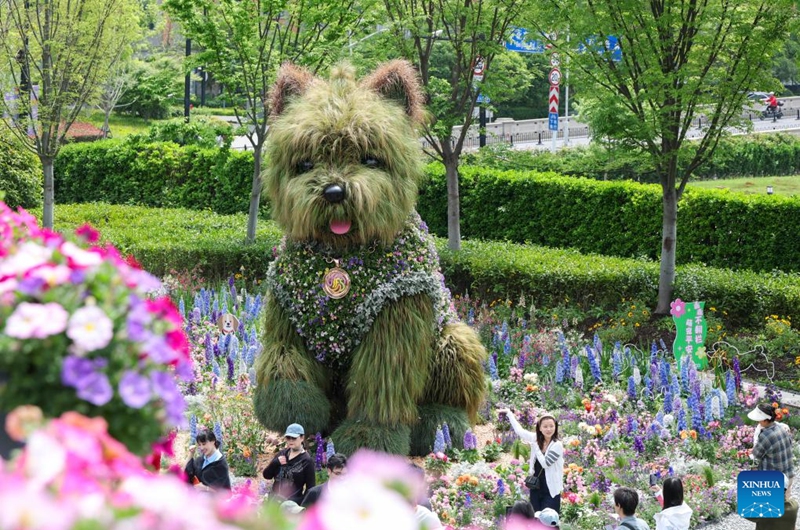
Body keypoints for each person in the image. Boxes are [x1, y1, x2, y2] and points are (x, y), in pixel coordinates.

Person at [498, 408, 564, 513]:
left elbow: (545, 463)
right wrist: (509, 414)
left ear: (555, 427)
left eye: (551, 426)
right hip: (536, 485)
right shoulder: (535, 438)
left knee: (548, 520)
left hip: (551, 488)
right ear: (540, 428)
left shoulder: (557, 445)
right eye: (545, 426)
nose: (549, 429)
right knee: (535, 518)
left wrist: (536, 447)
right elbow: (520, 431)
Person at [749, 403, 795, 498]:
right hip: (789, 475)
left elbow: (756, 456)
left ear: (765, 420)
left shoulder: (766, 435)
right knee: (785, 506)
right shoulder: (782, 428)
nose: (758, 422)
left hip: (775, 480)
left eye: (759, 420)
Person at [263, 423, 315, 504]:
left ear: (302, 438)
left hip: (291, 507)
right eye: (288, 437)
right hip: (273, 504)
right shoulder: (282, 454)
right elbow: (267, 475)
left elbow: (310, 489)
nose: (290, 440)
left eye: (294, 438)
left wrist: (299, 505)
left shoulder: (307, 461)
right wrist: (275, 462)